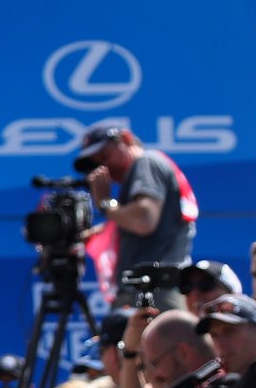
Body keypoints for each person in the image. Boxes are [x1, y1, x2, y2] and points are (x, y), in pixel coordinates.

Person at [74, 121, 197, 308]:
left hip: (156, 291)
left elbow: (143, 220)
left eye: (105, 156)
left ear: (126, 139)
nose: (104, 168)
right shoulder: (141, 174)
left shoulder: (147, 162)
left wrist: (105, 203)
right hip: (148, 289)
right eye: (96, 164)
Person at [178, 260, 243, 316]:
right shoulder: (173, 328)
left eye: (205, 285)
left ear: (231, 294)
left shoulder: (249, 328)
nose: (194, 293)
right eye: (187, 287)